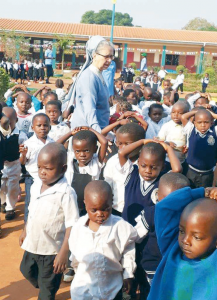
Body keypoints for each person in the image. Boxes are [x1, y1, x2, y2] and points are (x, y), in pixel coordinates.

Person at [19, 143, 79, 300]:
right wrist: (25, 230)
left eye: (48, 168)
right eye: (39, 167)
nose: (42, 172)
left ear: (63, 169)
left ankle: (49, 287)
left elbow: (72, 225)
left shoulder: (66, 192)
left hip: (52, 250)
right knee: (25, 270)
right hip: (33, 244)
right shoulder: (36, 185)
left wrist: (64, 253)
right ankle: (50, 283)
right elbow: (31, 210)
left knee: (46, 293)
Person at [69, 180, 137, 300]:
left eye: (105, 209)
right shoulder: (78, 227)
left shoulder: (120, 226)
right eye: (94, 210)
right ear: (85, 204)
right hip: (83, 290)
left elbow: (128, 252)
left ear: (112, 202)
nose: (100, 214)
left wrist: (128, 275)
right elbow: (75, 256)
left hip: (111, 289)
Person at [147, 183, 217, 300]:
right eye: (181, 231)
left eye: (197, 237)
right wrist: (204, 192)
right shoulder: (172, 249)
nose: (185, 240)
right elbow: (164, 207)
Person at [134, 173, 190, 287]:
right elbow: (136, 236)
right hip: (153, 265)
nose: (172, 206)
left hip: (176, 264)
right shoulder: (151, 213)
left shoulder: (187, 217)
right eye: (168, 201)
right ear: (158, 195)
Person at [67, 36, 114, 132]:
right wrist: (99, 135)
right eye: (106, 56)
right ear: (94, 55)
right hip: (87, 133)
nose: (109, 60)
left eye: (111, 56)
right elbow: (90, 110)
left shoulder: (99, 74)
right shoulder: (89, 78)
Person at [58, 126, 108, 215]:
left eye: (86, 151)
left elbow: (104, 142)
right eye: (77, 151)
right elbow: (56, 146)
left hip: (91, 205)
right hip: (73, 204)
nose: (82, 155)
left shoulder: (96, 162)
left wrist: (90, 129)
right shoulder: (70, 162)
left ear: (95, 149)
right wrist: (70, 133)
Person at [104, 123, 146, 216]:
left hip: (140, 212)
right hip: (117, 210)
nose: (123, 148)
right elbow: (108, 186)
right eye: (120, 143)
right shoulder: (113, 161)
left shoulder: (146, 163)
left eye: (127, 144)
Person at [19, 113, 54, 222]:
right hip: (33, 178)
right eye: (39, 125)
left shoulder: (52, 142)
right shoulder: (29, 143)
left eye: (45, 125)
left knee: (48, 202)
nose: (42, 128)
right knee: (31, 203)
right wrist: (24, 154)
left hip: (49, 178)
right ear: (33, 127)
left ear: (49, 127)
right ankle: (27, 227)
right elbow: (23, 162)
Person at [0, 107, 27, 220]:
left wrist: (23, 152)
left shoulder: (20, 135)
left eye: (9, 122)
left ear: (16, 120)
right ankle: (3, 202)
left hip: (14, 165)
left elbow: (25, 148)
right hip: (1, 166)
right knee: (1, 187)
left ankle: (11, 207)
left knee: (12, 188)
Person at [181, 108, 217, 188]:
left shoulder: (214, 131)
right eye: (199, 122)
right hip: (191, 172)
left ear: (211, 122)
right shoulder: (191, 130)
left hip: (207, 174)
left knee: (204, 196)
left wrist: (211, 114)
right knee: (190, 192)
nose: (203, 125)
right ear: (194, 123)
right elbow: (183, 117)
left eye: (206, 122)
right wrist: (196, 112)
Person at [158, 101, 189, 172]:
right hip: (167, 160)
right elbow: (159, 141)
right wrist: (167, 143)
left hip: (182, 160)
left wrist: (187, 147)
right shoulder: (167, 126)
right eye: (173, 112)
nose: (176, 115)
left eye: (180, 113)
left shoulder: (188, 127)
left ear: (186, 114)